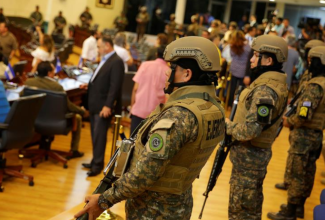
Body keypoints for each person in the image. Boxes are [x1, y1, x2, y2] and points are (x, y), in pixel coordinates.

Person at [74, 36, 225, 220]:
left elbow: (144, 175)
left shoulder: (179, 115)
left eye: (172, 69)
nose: (167, 74)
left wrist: (104, 201)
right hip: (180, 204)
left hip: (153, 210)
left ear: (187, 74)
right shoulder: (213, 108)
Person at [269, 46, 325, 220]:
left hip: (304, 136)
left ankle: (289, 212)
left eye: (312, 60)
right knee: (308, 172)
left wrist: (289, 121)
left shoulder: (315, 86)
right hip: (316, 135)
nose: (309, 63)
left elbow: (304, 114)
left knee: (296, 173)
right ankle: (299, 207)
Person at [226, 35, 289, 220]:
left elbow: (252, 130)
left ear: (268, 60)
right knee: (250, 207)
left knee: (240, 211)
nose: (251, 60)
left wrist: (228, 127)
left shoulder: (265, 90)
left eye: (256, 56)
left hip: (250, 159)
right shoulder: (273, 84)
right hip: (253, 159)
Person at [80, 36, 124, 177]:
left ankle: (97, 165)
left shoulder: (116, 61)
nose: (97, 49)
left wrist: (108, 106)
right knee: (94, 135)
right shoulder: (106, 59)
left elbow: (114, 87)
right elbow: (101, 80)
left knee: (99, 136)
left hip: (103, 106)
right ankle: (94, 161)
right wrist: (89, 85)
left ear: (107, 46)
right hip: (95, 103)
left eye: (99, 47)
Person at [24, 61, 85, 159]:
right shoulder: (57, 87)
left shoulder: (29, 83)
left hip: (34, 121)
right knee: (77, 117)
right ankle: (74, 151)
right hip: (55, 122)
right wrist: (81, 111)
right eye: (53, 71)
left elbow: (21, 98)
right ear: (49, 73)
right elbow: (68, 106)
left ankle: (43, 146)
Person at [130, 46, 169, 134]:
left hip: (139, 110)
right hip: (156, 114)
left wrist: (132, 106)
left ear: (156, 54)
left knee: (133, 144)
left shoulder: (145, 65)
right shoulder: (168, 71)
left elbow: (135, 88)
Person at [227, 30, 251, 108]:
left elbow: (231, 55)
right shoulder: (247, 47)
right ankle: (237, 105)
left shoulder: (232, 46)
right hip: (243, 71)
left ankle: (229, 104)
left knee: (232, 89)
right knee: (240, 90)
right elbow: (248, 58)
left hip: (234, 69)